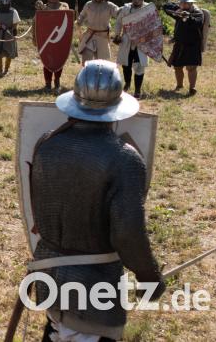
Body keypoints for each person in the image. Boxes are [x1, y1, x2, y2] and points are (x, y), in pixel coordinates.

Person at [31, 60, 164, 341]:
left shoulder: (46, 144)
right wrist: (148, 275)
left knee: (58, 329)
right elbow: (128, 232)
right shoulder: (123, 158)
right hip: (94, 288)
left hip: (50, 277)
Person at [163, 0, 210, 96]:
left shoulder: (198, 13)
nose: (185, 4)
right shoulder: (179, 10)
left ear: (191, 3)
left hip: (192, 45)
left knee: (191, 67)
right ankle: (179, 85)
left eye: (187, 3)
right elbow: (166, 7)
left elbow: (197, 23)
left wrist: (187, 17)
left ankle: (192, 88)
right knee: (177, 67)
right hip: (179, 44)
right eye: (183, 3)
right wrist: (178, 8)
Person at [113, 0, 149, 98]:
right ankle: (127, 83)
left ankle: (137, 89)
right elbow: (119, 22)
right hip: (127, 39)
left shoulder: (148, 8)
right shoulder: (126, 8)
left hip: (141, 41)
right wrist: (117, 34)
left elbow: (153, 25)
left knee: (139, 65)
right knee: (126, 64)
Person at [35, 0, 70, 91]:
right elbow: (37, 22)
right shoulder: (43, 7)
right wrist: (40, 10)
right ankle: (48, 83)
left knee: (59, 60)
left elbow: (65, 16)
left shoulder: (64, 6)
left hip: (60, 39)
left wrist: (45, 9)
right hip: (47, 39)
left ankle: (57, 82)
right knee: (47, 61)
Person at [77, 0, 119, 64]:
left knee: (102, 63)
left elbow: (119, 13)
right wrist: (79, 21)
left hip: (103, 37)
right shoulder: (89, 4)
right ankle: (87, 75)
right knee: (86, 60)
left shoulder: (109, 5)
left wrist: (127, 9)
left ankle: (100, 76)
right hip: (90, 36)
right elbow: (82, 15)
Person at [0, 0, 20, 77]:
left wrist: (14, 32)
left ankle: (6, 70)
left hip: (9, 34)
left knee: (9, 53)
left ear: (9, 1)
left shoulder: (13, 12)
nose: (5, 3)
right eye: (3, 1)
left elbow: (16, 23)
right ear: (1, 1)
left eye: (6, 1)